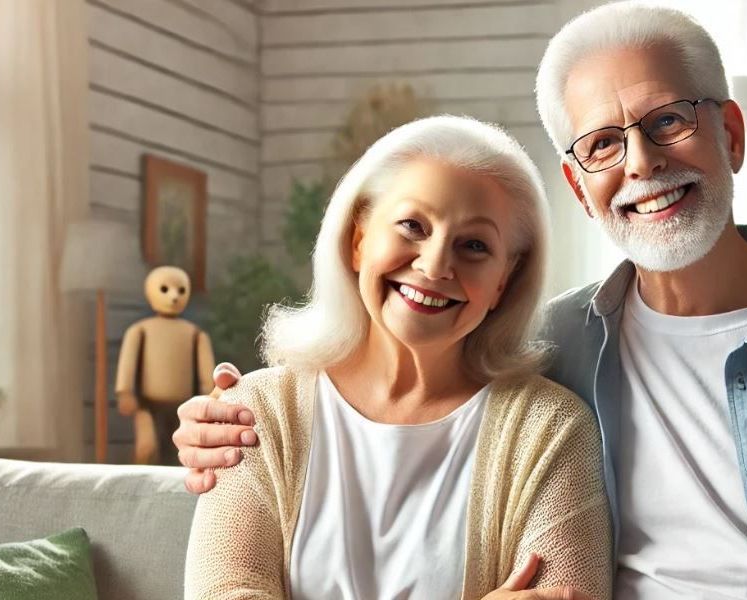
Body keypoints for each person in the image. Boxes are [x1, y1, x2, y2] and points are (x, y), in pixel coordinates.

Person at [175, 3, 747, 598]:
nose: (643, 162)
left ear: (733, 136)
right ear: (582, 190)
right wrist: (215, 424)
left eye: (669, 121)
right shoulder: (550, 349)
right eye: (604, 144)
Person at [181, 115, 612, 600]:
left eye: (474, 245)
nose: (434, 265)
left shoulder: (550, 431)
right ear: (358, 239)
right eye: (412, 226)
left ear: (503, 282)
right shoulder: (256, 414)